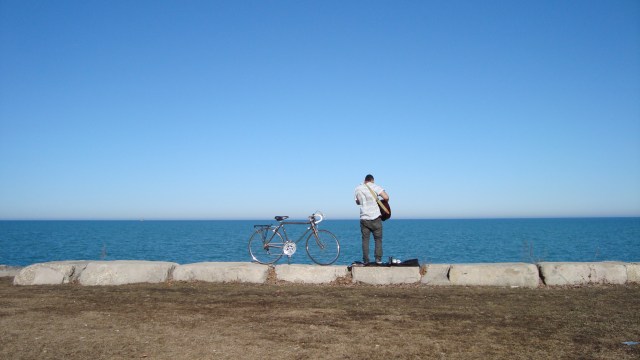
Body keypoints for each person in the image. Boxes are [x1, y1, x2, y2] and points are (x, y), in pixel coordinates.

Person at [354, 174, 389, 264]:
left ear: (365, 180)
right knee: (378, 239)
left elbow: (357, 202)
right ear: (372, 180)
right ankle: (378, 260)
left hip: (364, 218)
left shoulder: (358, 188)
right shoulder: (374, 186)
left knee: (365, 240)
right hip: (375, 217)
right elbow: (386, 197)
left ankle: (366, 261)